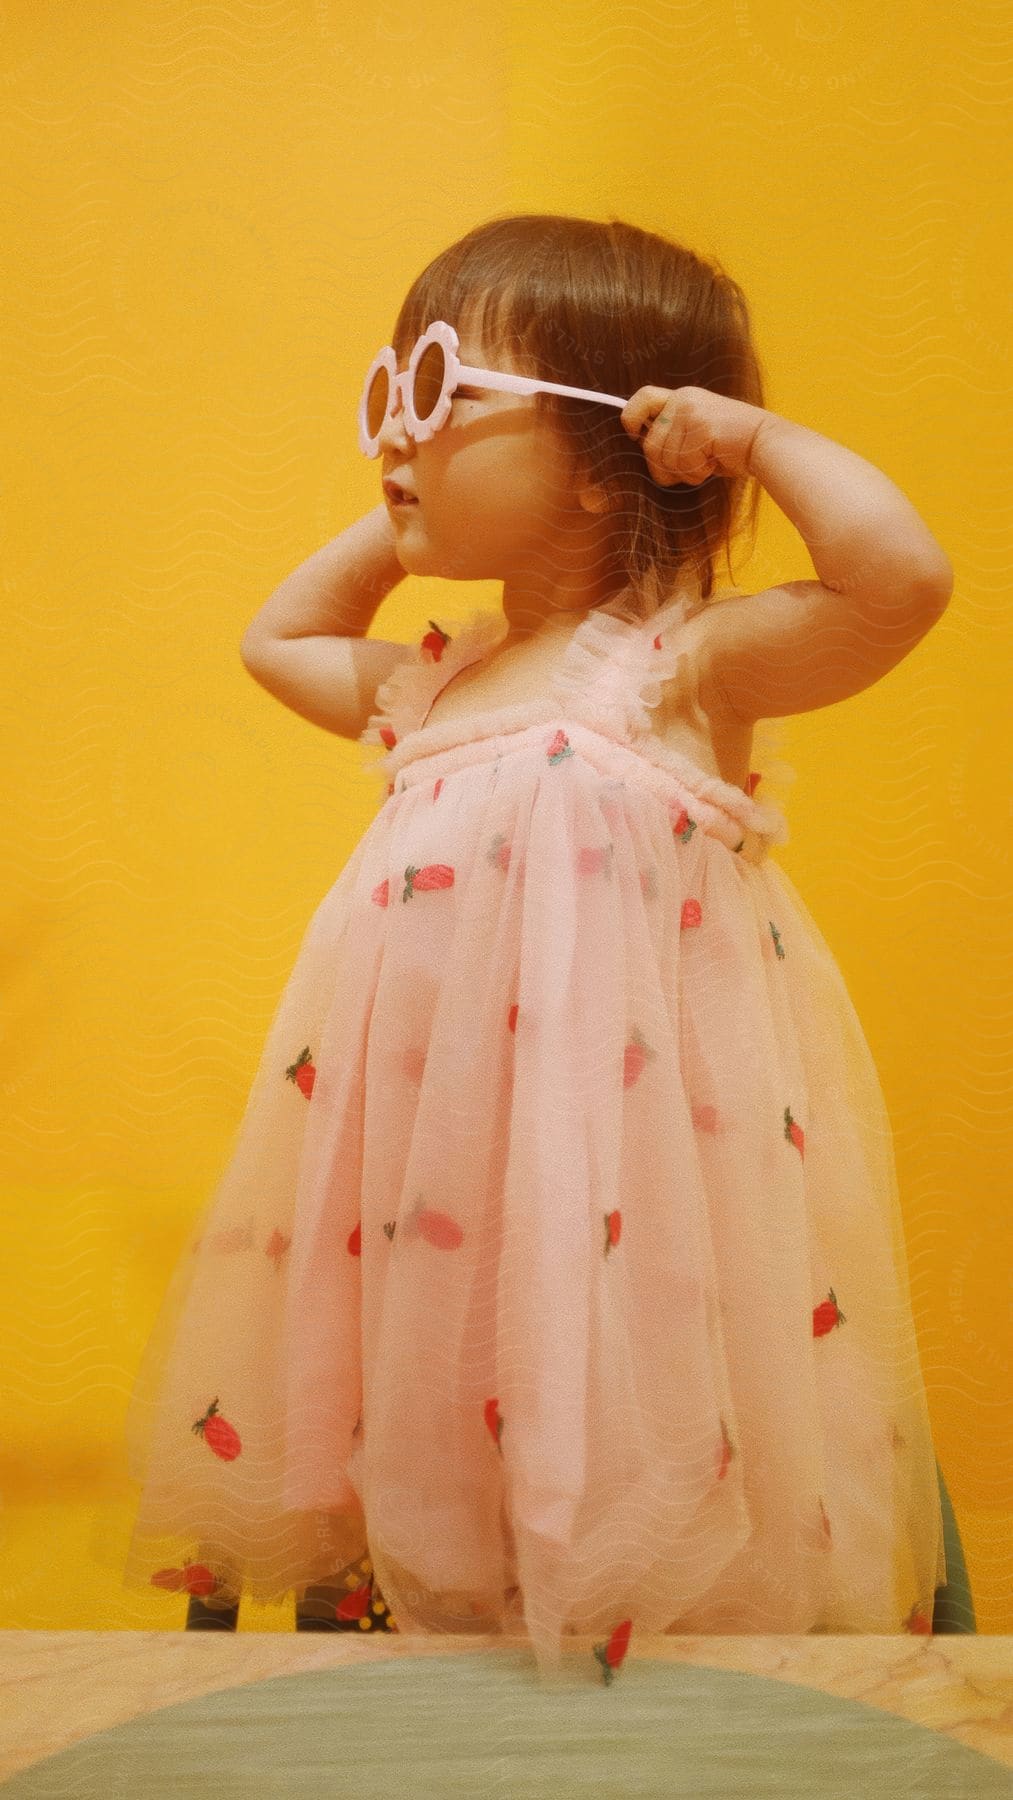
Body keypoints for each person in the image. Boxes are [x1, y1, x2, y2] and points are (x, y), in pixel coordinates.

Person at [103, 214, 960, 1687]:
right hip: (433, 1190)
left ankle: (655, 1685)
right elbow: (277, 636)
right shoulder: (431, 690)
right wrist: (418, 486)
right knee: (438, 1406)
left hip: (629, 1189)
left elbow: (899, 577)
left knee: (618, 1401)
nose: (394, 431)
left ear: (600, 450)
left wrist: (743, 439)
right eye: (387, 391)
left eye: (440, 392)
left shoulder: (682, 668)